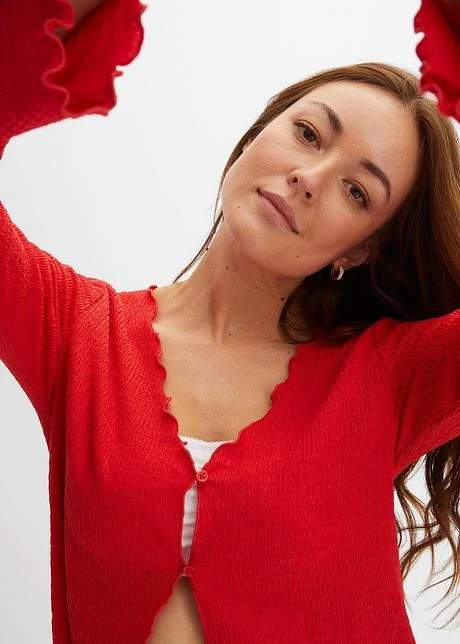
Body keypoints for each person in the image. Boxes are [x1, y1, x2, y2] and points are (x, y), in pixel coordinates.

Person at [0, 1, 459, 643]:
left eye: (358, 192)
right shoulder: (77, 333)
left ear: (359, 251)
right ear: (255, 135)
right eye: (308, 134)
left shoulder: (394, 375)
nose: (309, 177)